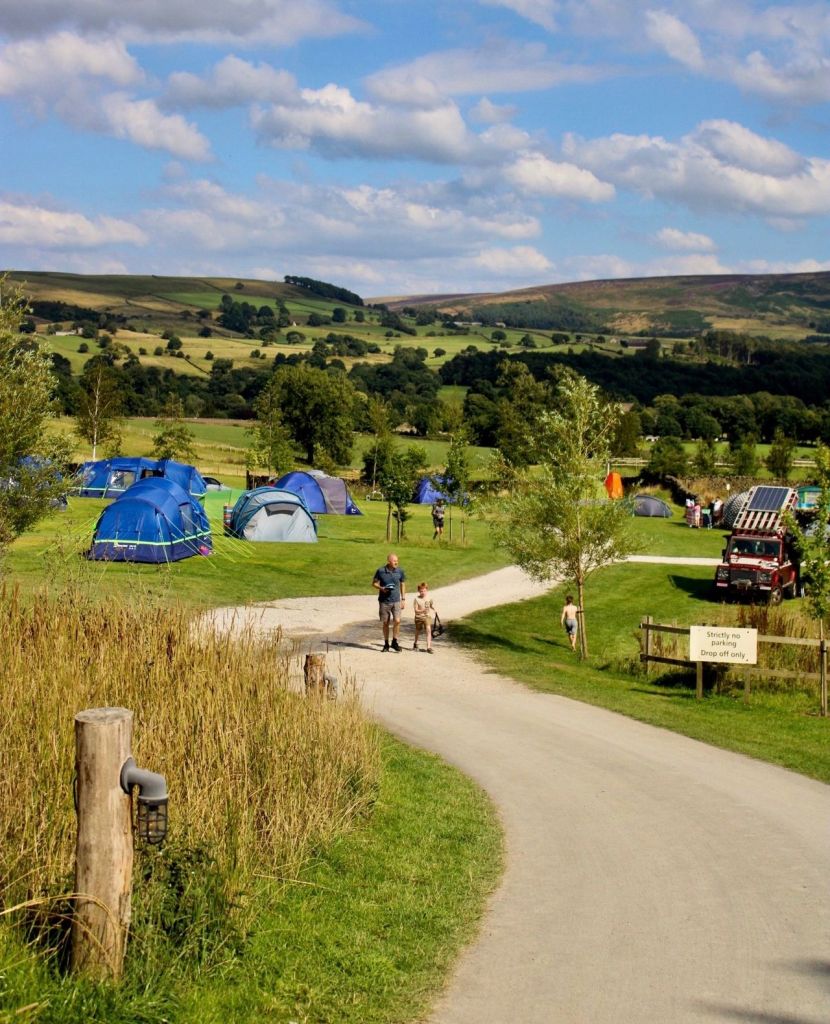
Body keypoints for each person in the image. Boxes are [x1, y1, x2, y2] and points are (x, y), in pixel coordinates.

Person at [372, 552, 406, 652]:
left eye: (397, 560)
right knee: (385, 623)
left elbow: (403, 584)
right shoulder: (380, 571)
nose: (397, 562)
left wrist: (403, 599)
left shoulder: (400, 571)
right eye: (395, 561)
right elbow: (374, 583)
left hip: (396, 600)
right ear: (389, 561)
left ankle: (394, 642)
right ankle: (386, 644)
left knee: (397, 621)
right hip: (384, 601)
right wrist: (381, 588)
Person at [412, 581, 437, 653]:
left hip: (427, 616)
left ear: (427, 590)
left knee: (428, 630)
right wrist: (422, 610)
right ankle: (415, 643)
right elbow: (416, 610)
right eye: (421, 591)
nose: (423, 592)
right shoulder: (416, 599)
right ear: (418, 591)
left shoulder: (429, 598)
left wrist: (434, 609)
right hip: (418, 617)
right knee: (418, 630)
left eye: (424, 591)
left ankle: (429, 647)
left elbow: (431, 605)